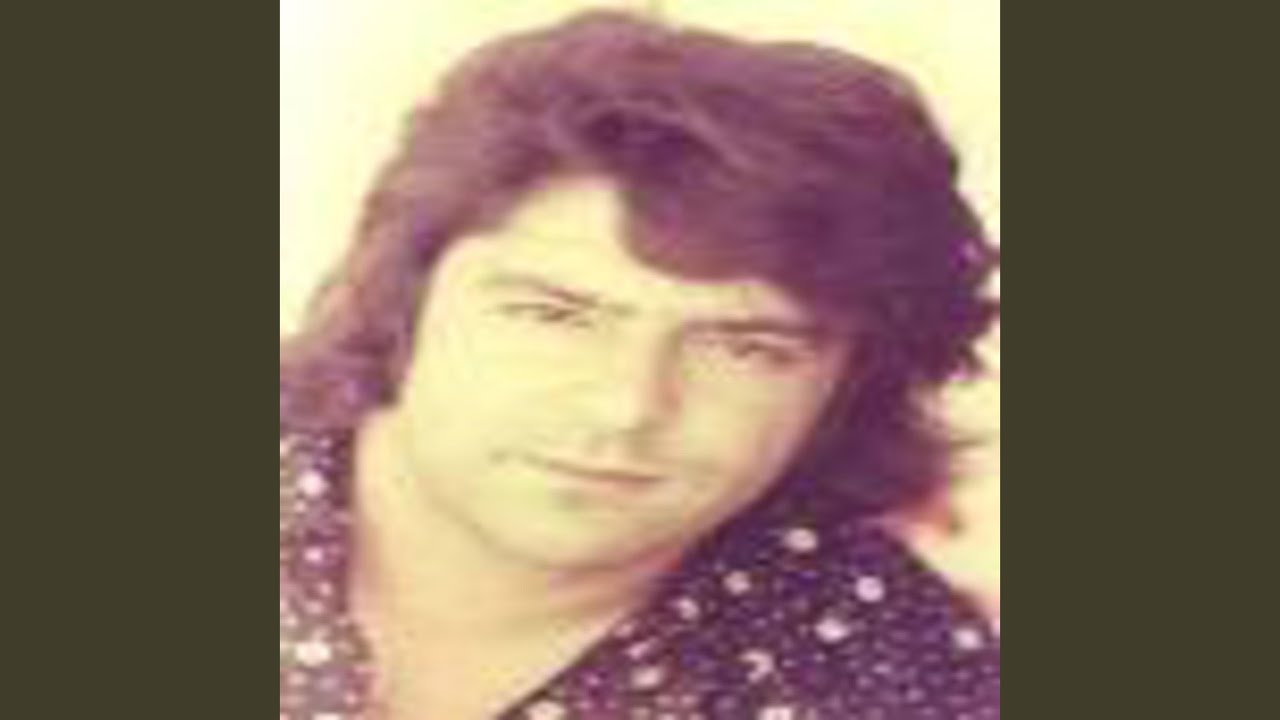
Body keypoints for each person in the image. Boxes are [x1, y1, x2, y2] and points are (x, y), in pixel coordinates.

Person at [280, 10, 1000, 719]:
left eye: (745, 349)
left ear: (848, 387)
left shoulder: (901, 673)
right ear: (405, 302)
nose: (627, 406)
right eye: (554, 316)